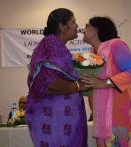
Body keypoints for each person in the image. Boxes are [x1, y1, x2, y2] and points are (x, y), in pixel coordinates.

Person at [26, 8, 88, 147]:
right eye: (73, 22)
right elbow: (47, 83)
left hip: (60, 121)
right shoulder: (52, 45)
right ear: (62, 26)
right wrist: (78, 86)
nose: (77, 25)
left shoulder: (55, 45)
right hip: (55, 123)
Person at [81, 17, 131, 147]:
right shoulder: (91, 54)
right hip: (100, 116)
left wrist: (103, 83)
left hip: (119, 111)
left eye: (87, 26)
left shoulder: (116, 44)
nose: (83, 29)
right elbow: (91, 87)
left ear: (97, 29)